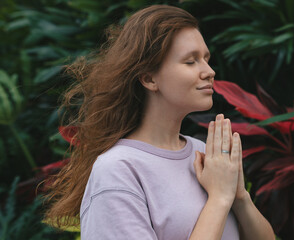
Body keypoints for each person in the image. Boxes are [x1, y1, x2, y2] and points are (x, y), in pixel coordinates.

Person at [43, 5, 275, 240]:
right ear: (149, 78)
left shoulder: (205, 154)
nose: (209, 71)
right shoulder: (118, 170)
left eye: (206, 59)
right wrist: (219, 198)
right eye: (190, 61)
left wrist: (239, 197)